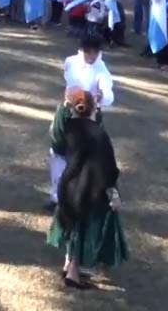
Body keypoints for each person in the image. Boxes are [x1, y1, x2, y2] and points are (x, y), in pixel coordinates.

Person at [47, 88, 128, 290]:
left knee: (71, 225)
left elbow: (56, 140)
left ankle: (67, 264)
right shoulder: (98, 133)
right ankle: (73, 275)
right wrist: (113, 192)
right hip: (90, 189)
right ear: (93, 109)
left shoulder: (68, 128)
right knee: (83, 230)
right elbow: (108, 166)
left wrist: (64, 107)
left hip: (69, 186)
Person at [47, 35, 115, 210]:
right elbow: (68, 83)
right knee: (57, 153)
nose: (91, 56)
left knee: (84, 158)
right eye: (88, 52)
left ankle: (79, 197)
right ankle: (56, 197)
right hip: (67, 113)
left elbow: (107, 93)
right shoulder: (70, 62)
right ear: (82, 50)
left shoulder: (101, 70)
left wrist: (102, 96)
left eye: (95, 53)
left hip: (88, 117)